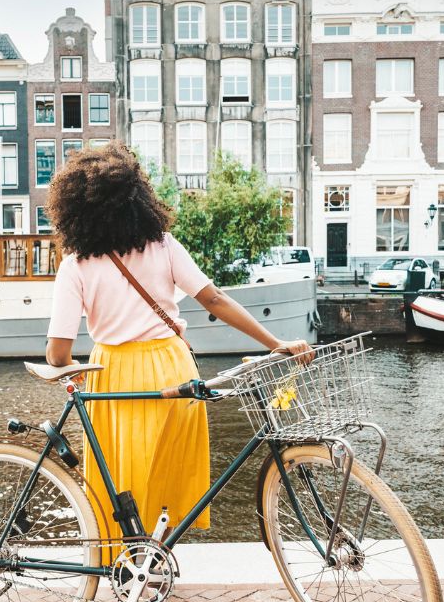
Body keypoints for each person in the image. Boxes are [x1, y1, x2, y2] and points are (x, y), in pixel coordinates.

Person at [45, 145, 313, 546]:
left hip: (114, 375)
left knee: (122, 475)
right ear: (139, 200)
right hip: (173, 366)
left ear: (74, 211)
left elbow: (57, 352)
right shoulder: (163, 245)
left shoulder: (76, 265)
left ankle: (130, 563)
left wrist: (74, 366)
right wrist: (276, 342)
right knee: (171, 470)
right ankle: (157, 556)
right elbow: (215, 300)